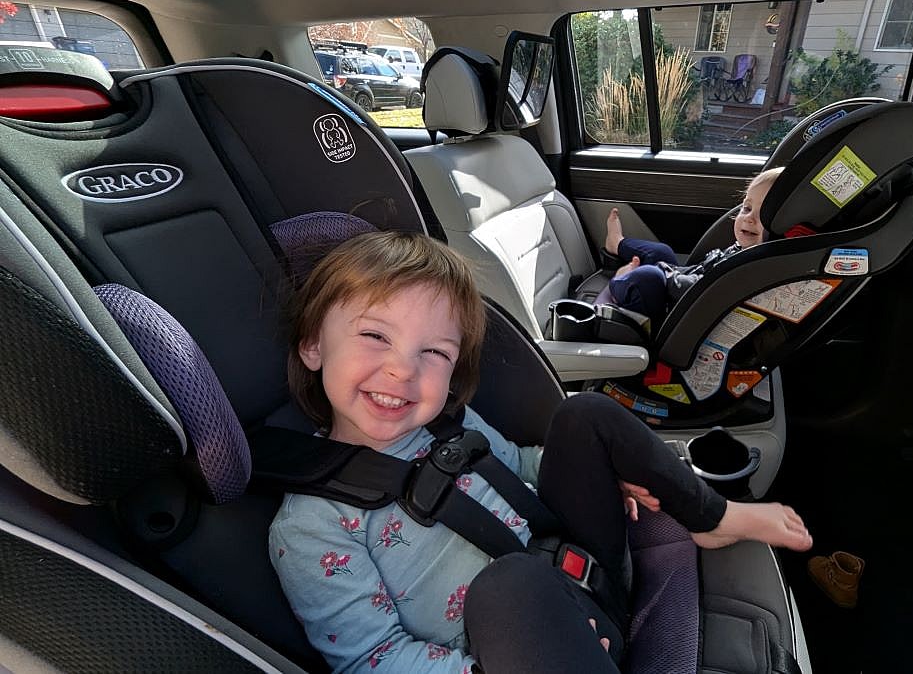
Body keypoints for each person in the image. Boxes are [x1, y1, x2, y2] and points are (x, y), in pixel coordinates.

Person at [269, 231, 813, 674]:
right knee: (509, 584)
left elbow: (523, 466)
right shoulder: (312, 524)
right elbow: (373, 659)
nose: (403, 370)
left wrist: (607, 477)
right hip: (523, 648)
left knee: (585, 416)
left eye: (433, 352)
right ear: (313, 345)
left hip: (589, 572)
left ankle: (712, 515)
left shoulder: (446, 422)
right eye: (374, 336)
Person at [603, 167, 784, 325]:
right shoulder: (742, 250)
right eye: (746, 208)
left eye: (763, 215)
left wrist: (665, 272)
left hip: (674, 319)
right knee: (662, 251)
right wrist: (675, 271)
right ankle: (617, 242)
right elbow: (699, 271)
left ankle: (620, 280)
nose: (749, 218)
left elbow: (697, 291)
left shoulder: (751, 270)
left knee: (649, 276)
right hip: (684, 293)